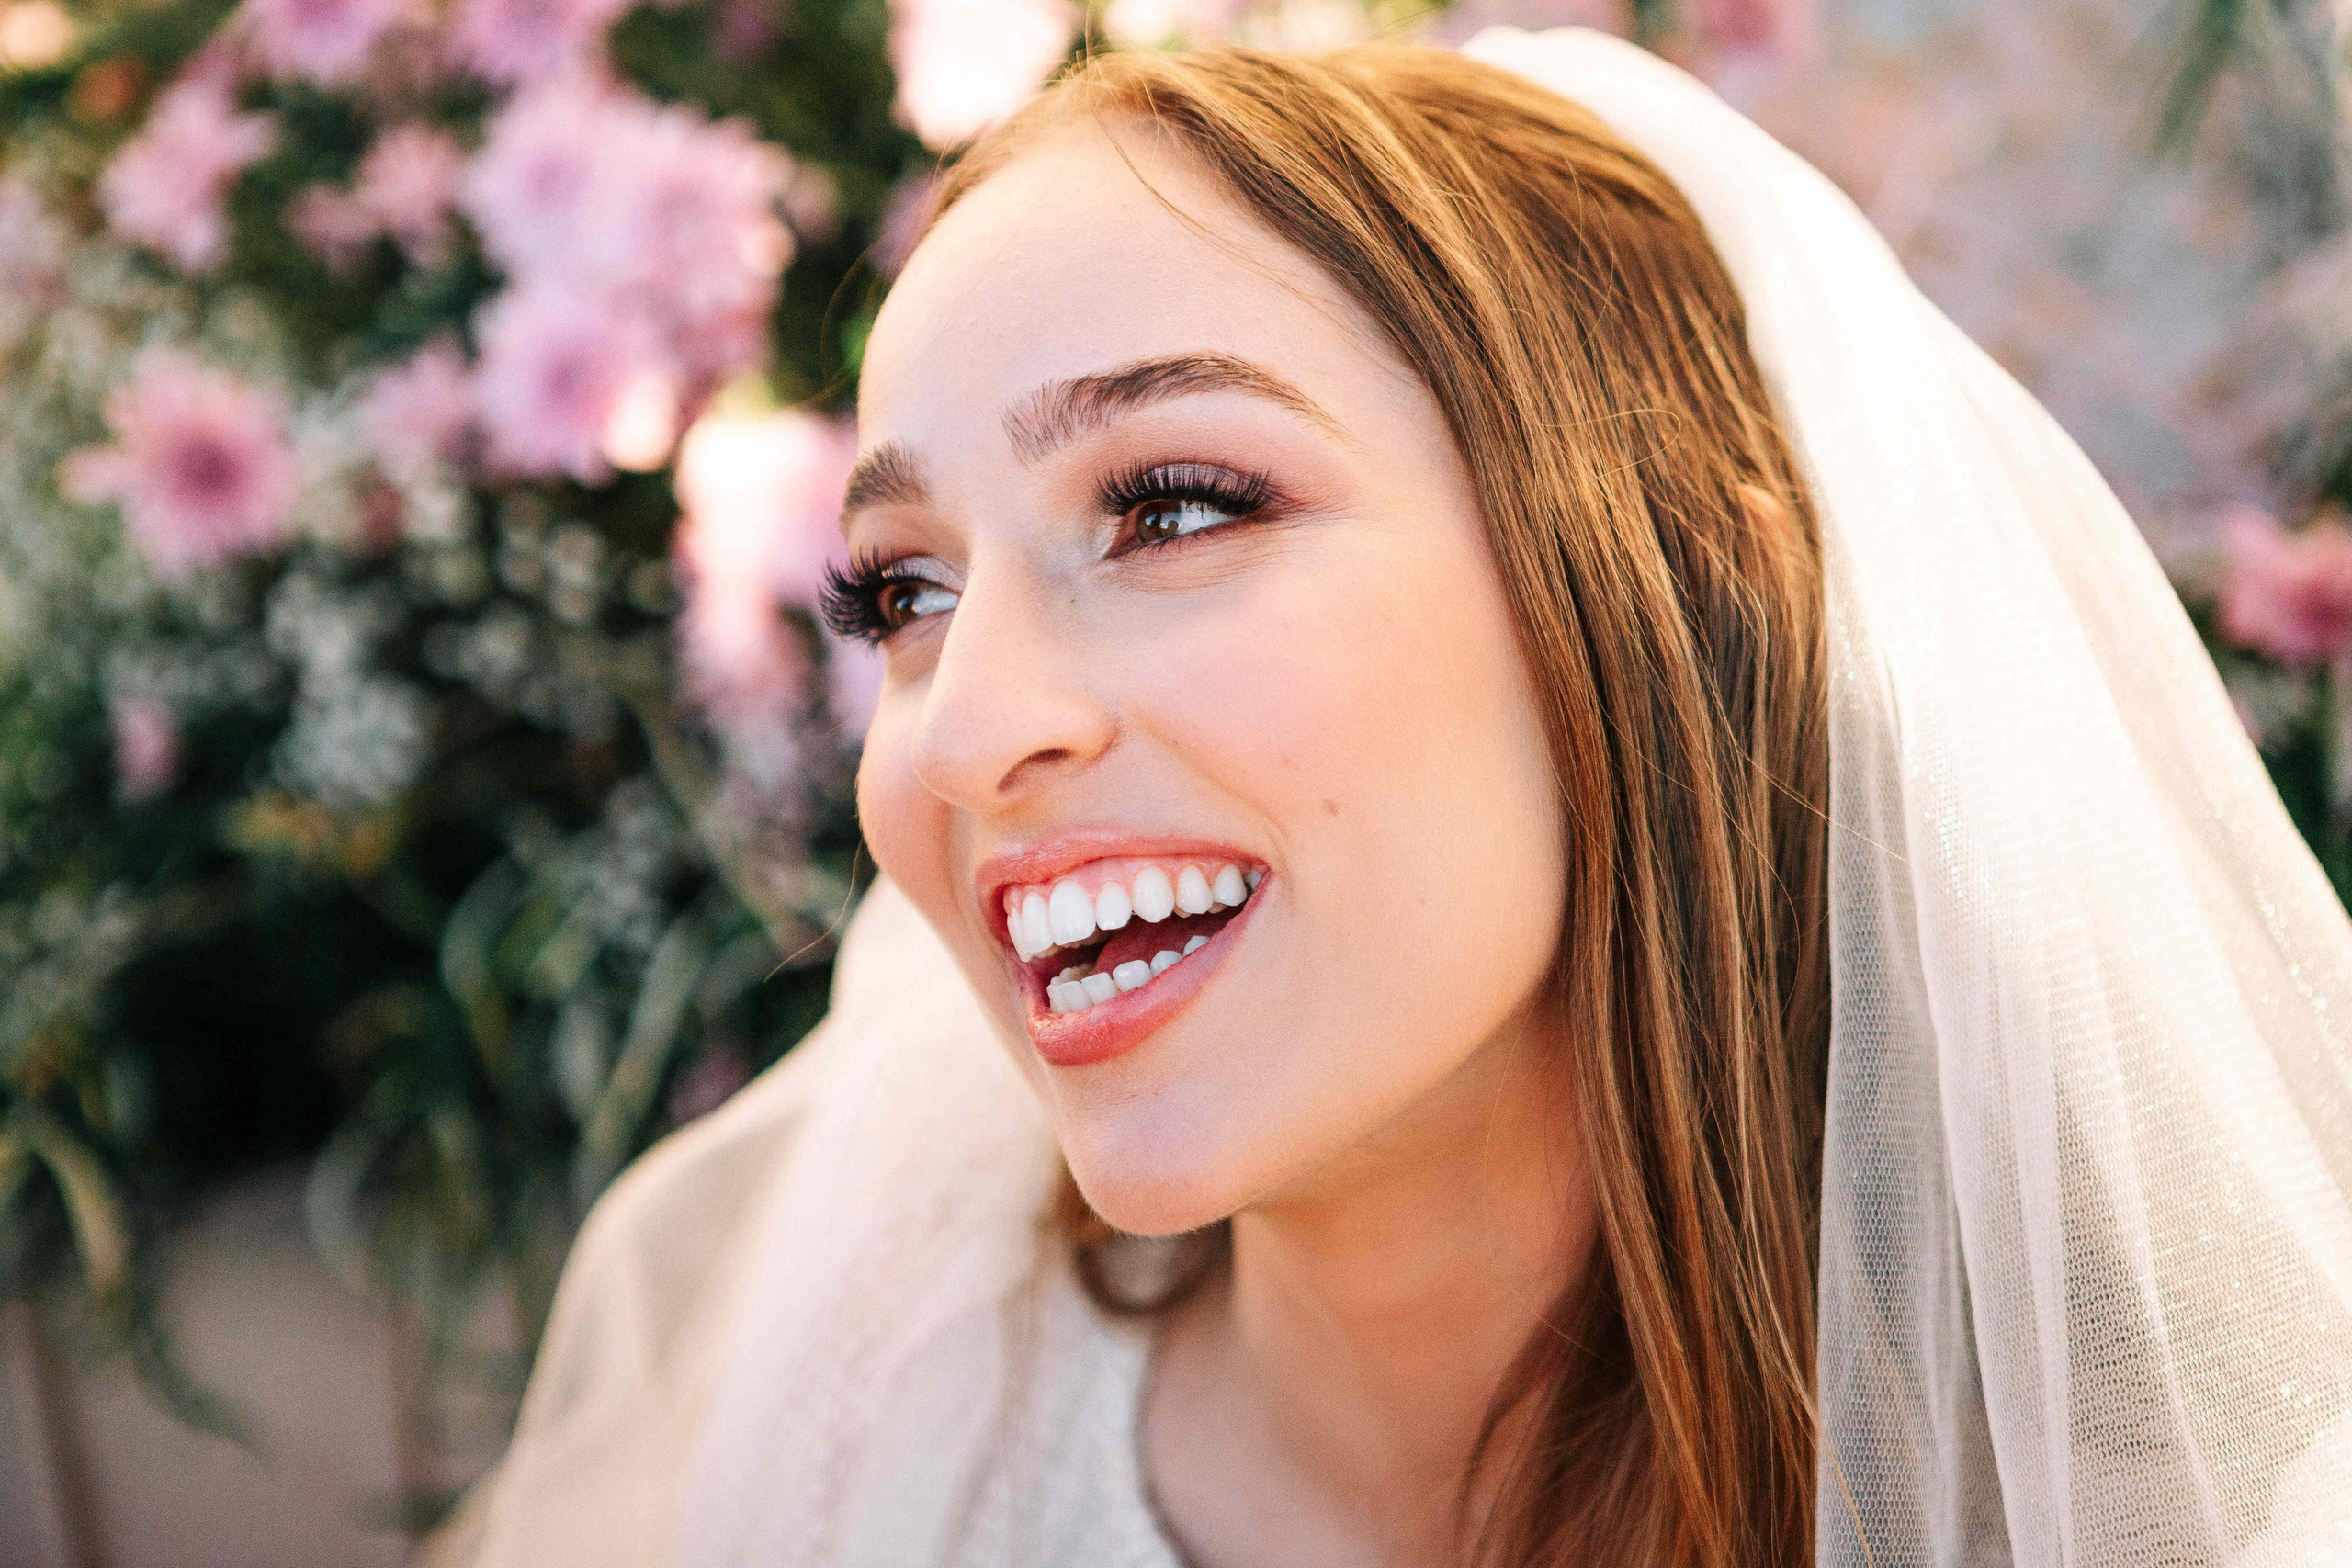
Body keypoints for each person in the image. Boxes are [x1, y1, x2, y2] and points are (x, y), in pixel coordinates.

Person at [428, 27, 2352, 1568]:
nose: (959, 734)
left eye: (1172, 506)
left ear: (1677, 582)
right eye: (903, 595)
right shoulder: (848, 1436)